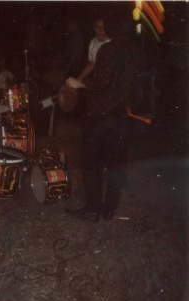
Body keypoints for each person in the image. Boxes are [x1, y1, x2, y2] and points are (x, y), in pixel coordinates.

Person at [66, 20, 144, 222]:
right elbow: (138, 85)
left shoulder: (108, 50)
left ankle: (93, 209)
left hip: (101, 114)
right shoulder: (135, 50)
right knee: (116, 163)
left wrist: (80, 84)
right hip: (123, 115)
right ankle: (109, 209)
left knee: (90, 161)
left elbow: (102, 82)